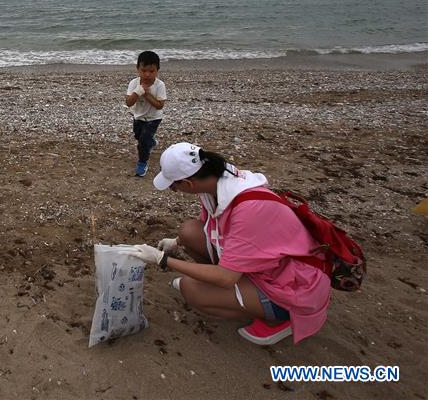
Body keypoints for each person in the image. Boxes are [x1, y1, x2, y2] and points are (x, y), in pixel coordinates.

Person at [124, 142, 331, 345]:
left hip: (294, 284)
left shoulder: (248, 208)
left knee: (192, 290)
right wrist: (176, 242)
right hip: (267, 265)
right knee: (189, 232)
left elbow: (226, 278)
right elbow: (206, 224)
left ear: (188, 184)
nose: (174, 191)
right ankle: (235, 293)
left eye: (173, 186)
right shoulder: (217, 181)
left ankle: (281, 318)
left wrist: (162, 259)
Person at [124, 51, 166, 177]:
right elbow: (129, 103)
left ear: (157, 70)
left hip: (153, 118)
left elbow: (160, 105)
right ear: (138, 69)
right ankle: (151, 143)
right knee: (138, 136)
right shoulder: (134, 83)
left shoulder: (159, 85)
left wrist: (146, 94)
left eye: (152, 71)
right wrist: (138, 92)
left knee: (143, 141)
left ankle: (142, 162)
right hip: (138, 117)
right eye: (144, 70)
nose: (147, 74)